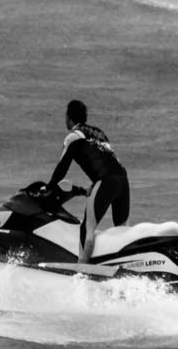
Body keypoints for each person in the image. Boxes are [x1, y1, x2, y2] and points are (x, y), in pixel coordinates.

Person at [48, 98, 130, 264]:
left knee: (88, 228)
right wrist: (93, 185)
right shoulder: (99, 133)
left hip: (106, 180)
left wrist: (49, 186)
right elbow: (106, 160)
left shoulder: (74, 136)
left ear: (69, 117)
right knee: (122, 229)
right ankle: (126, 263)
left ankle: (82, 268)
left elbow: (61, 168)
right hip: (123, 180)